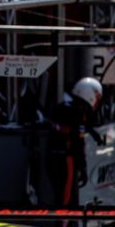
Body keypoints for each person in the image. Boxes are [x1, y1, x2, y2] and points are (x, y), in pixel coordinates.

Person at [47, 77, 102, 208]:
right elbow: (77, 140)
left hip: (54, 156)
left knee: (61, 196)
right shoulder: (75, 112)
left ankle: (64, 223)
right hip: (66, 158)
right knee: (65, 199)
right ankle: (63, 226)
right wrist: (82, 165)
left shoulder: (63, 107)